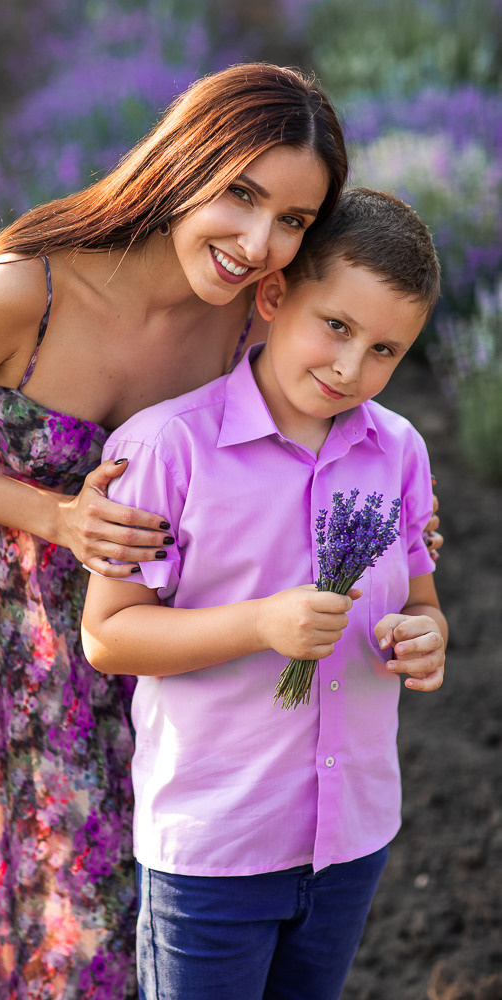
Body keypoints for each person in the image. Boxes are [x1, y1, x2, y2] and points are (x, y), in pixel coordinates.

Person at [0, 63, 357, 1000]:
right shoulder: (26, 290)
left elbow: (303, 446)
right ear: (182, 162)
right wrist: (56, 515)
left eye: (292, 221)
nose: (257, 244)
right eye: (240, 195)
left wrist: (392, 528)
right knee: (8, 886)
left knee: (128, 897)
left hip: (152, 624)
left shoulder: (248, 319)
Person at [82, 188, 448, 1000]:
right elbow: (108, 637)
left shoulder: (397, 451)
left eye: (385, 350)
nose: (352, 369)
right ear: (276, 295)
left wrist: (425, 637)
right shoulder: (168, 449)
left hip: (348, 839)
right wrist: (260, 623)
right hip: (215, 846)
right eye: (337, 327)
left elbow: (421, 600)